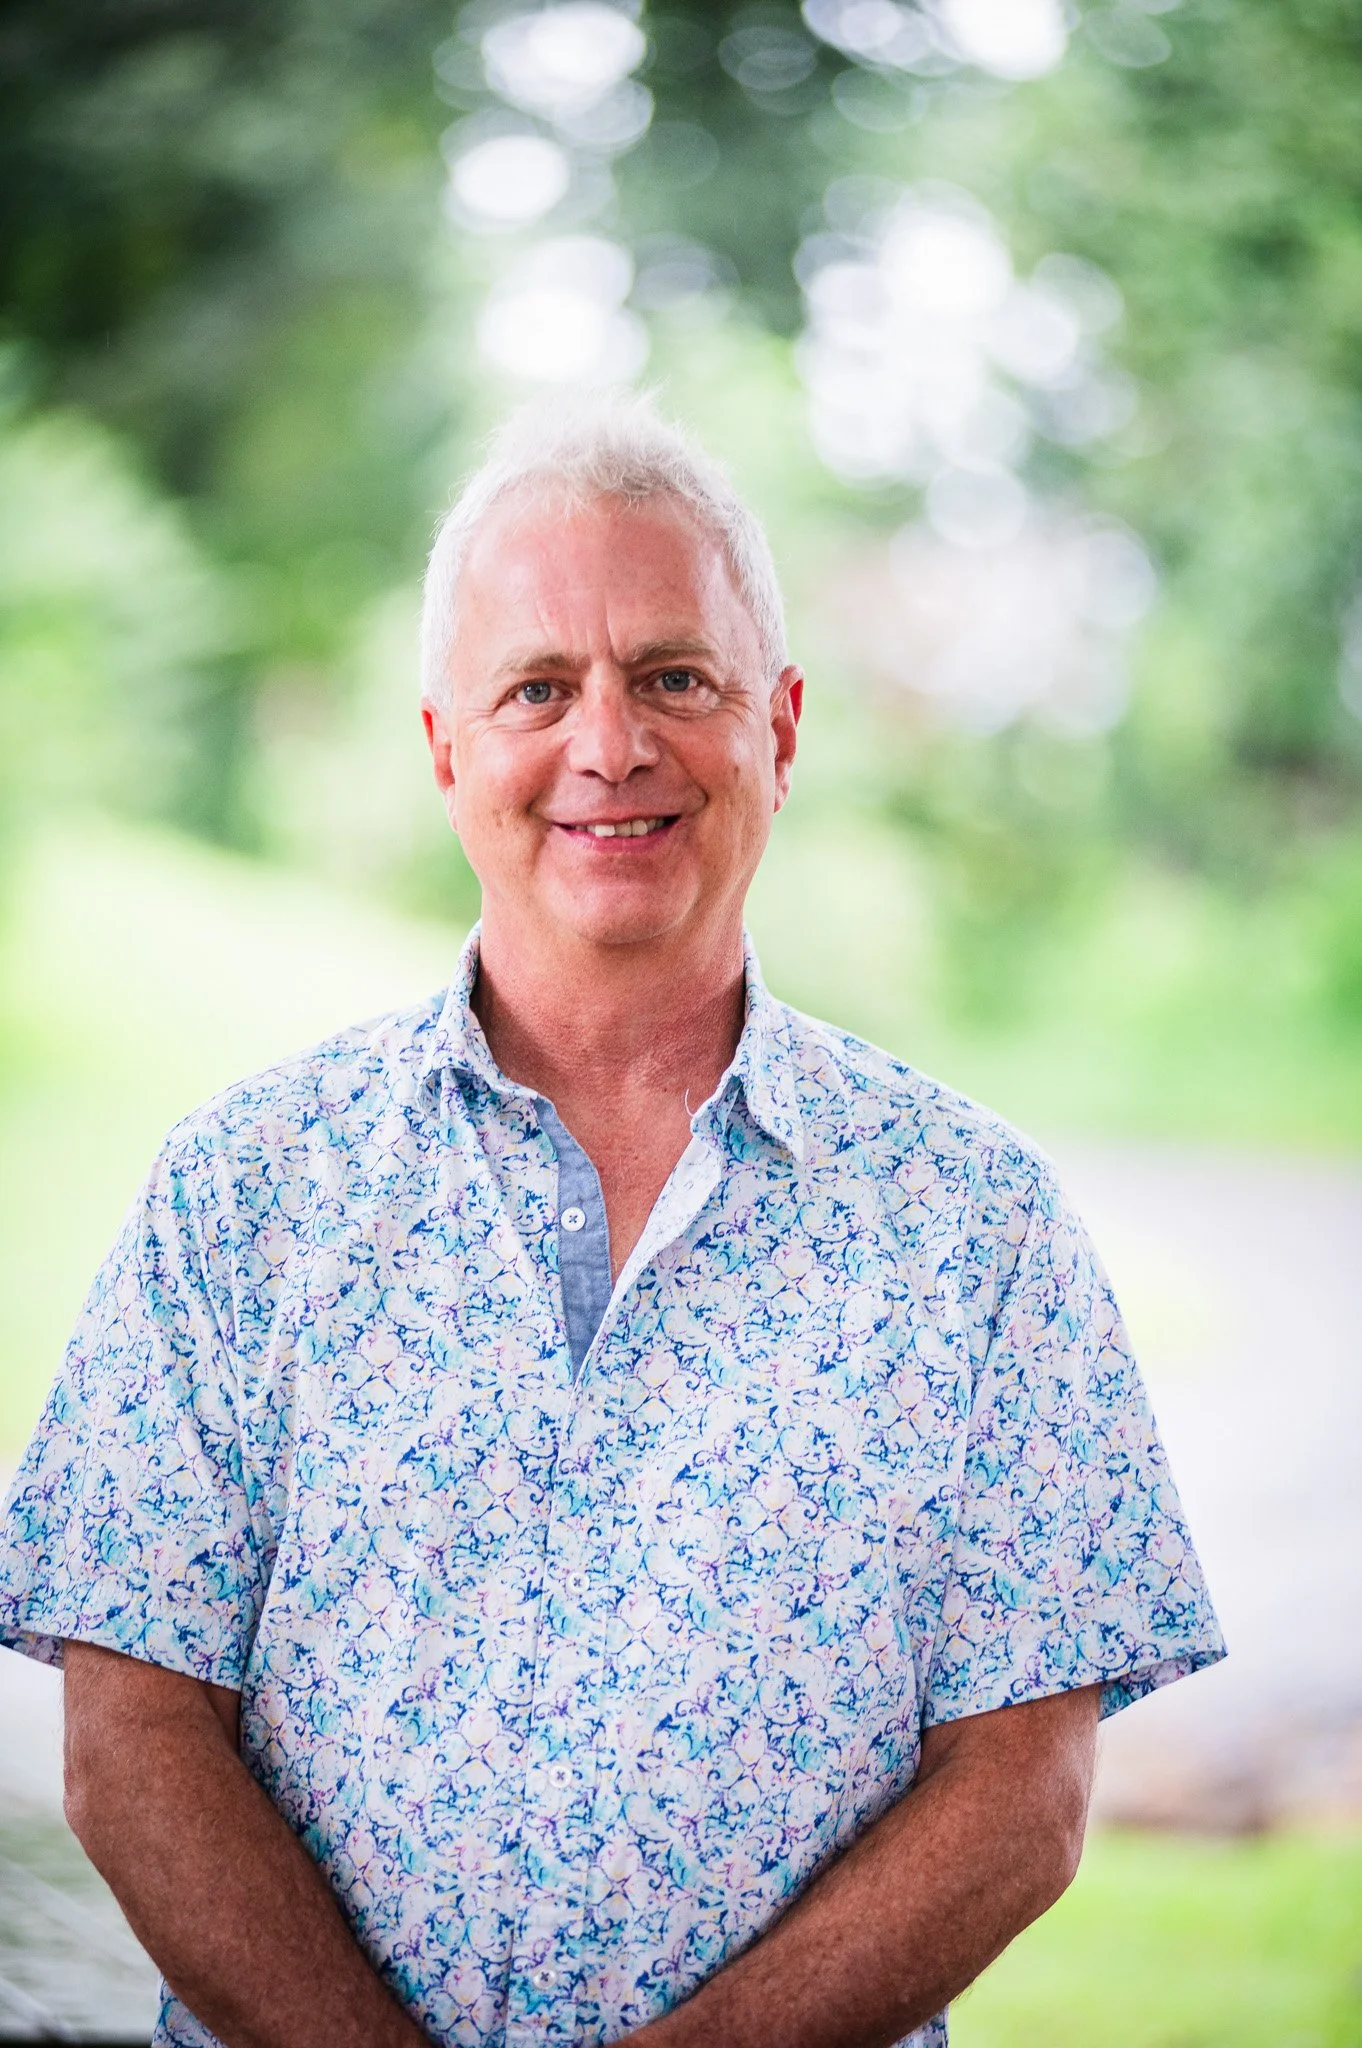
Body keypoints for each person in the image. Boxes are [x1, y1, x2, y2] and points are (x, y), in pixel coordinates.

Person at [0, 395, 1223, 2048]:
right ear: (445, 747)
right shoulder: (240, 1193)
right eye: (536, 688)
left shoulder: (975, 1227)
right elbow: (129, 1733)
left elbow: (1021, 1789)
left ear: (778, 729)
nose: (608, 745)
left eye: (672, 677)